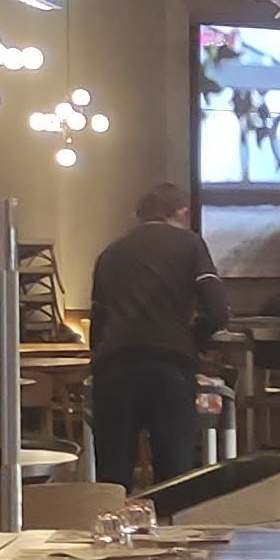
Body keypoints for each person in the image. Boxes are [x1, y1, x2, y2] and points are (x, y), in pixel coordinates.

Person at [88, 177, 229, 488]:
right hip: (170, 365)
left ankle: (113, 518)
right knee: (173, 475)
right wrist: (191, 340)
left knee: (113, 477)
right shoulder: (190, 245)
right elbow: (218, 311)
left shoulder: (110, 253)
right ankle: (171, 520)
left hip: (113, 368)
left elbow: (98, 321)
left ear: (138, 215)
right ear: (182, 211)